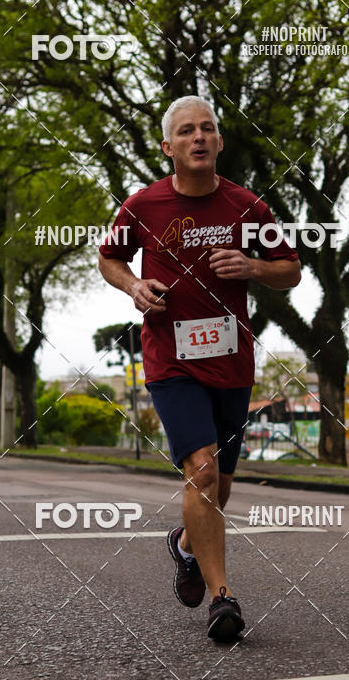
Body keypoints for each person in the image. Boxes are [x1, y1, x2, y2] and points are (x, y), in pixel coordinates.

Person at [98, 96, 301, 641]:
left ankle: (185, 546)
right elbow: (109, 258)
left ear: (219, 141)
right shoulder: (142, 205)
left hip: (231, 363)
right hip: (170, 360)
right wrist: (135, 286)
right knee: (202, 471)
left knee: (221, 485)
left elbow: (291, 270)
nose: (199, 138)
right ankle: (223, 599)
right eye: (186, 131)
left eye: (207, 129)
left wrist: (253, 266)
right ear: (168, 147)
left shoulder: (247, 206)